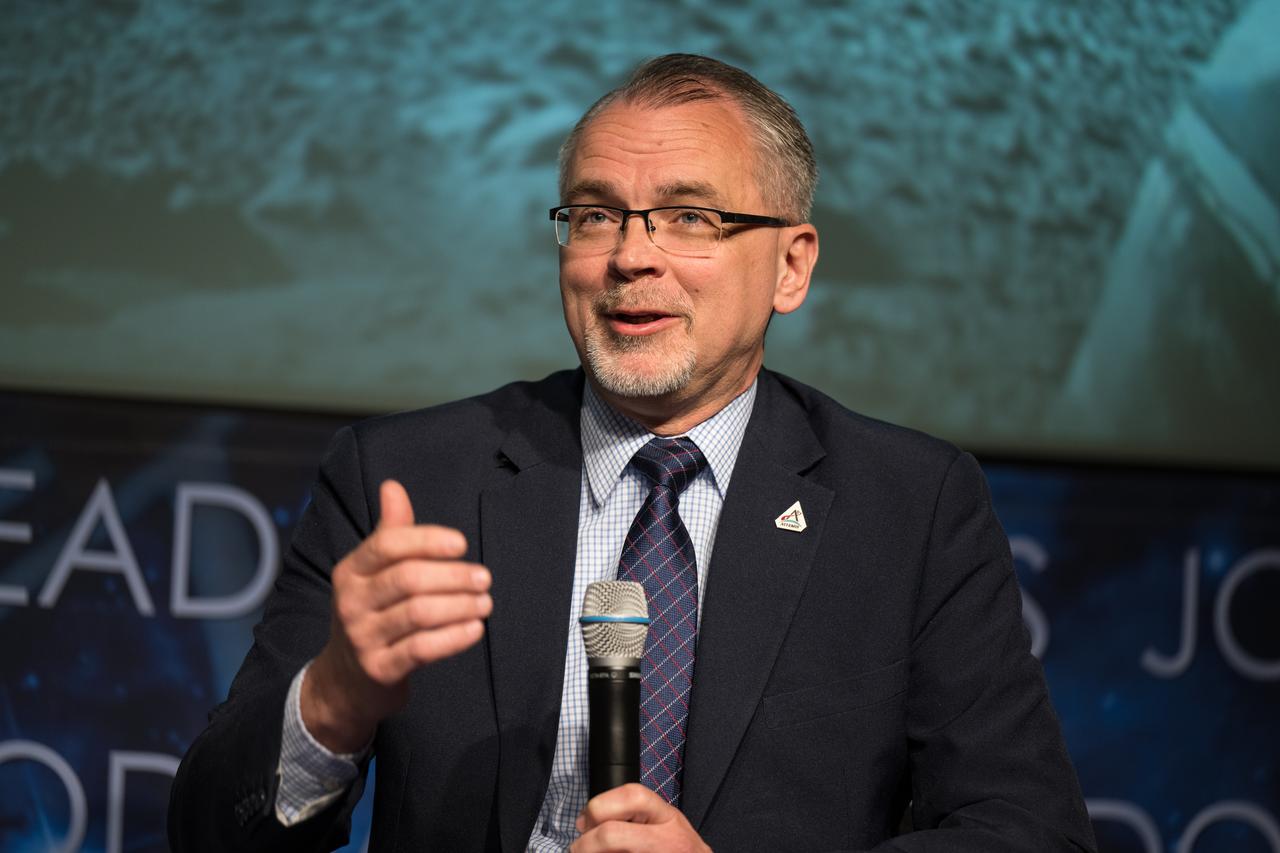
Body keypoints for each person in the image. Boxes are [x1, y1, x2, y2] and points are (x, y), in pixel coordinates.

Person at [169, 54, 1096, 852]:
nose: (630, 257)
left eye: (691, 217)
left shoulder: (911, 504)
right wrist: (331, 698)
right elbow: (209, 831)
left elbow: (1028, 829)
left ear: (792, 266)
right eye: (596, 215)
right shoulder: (408, 479)